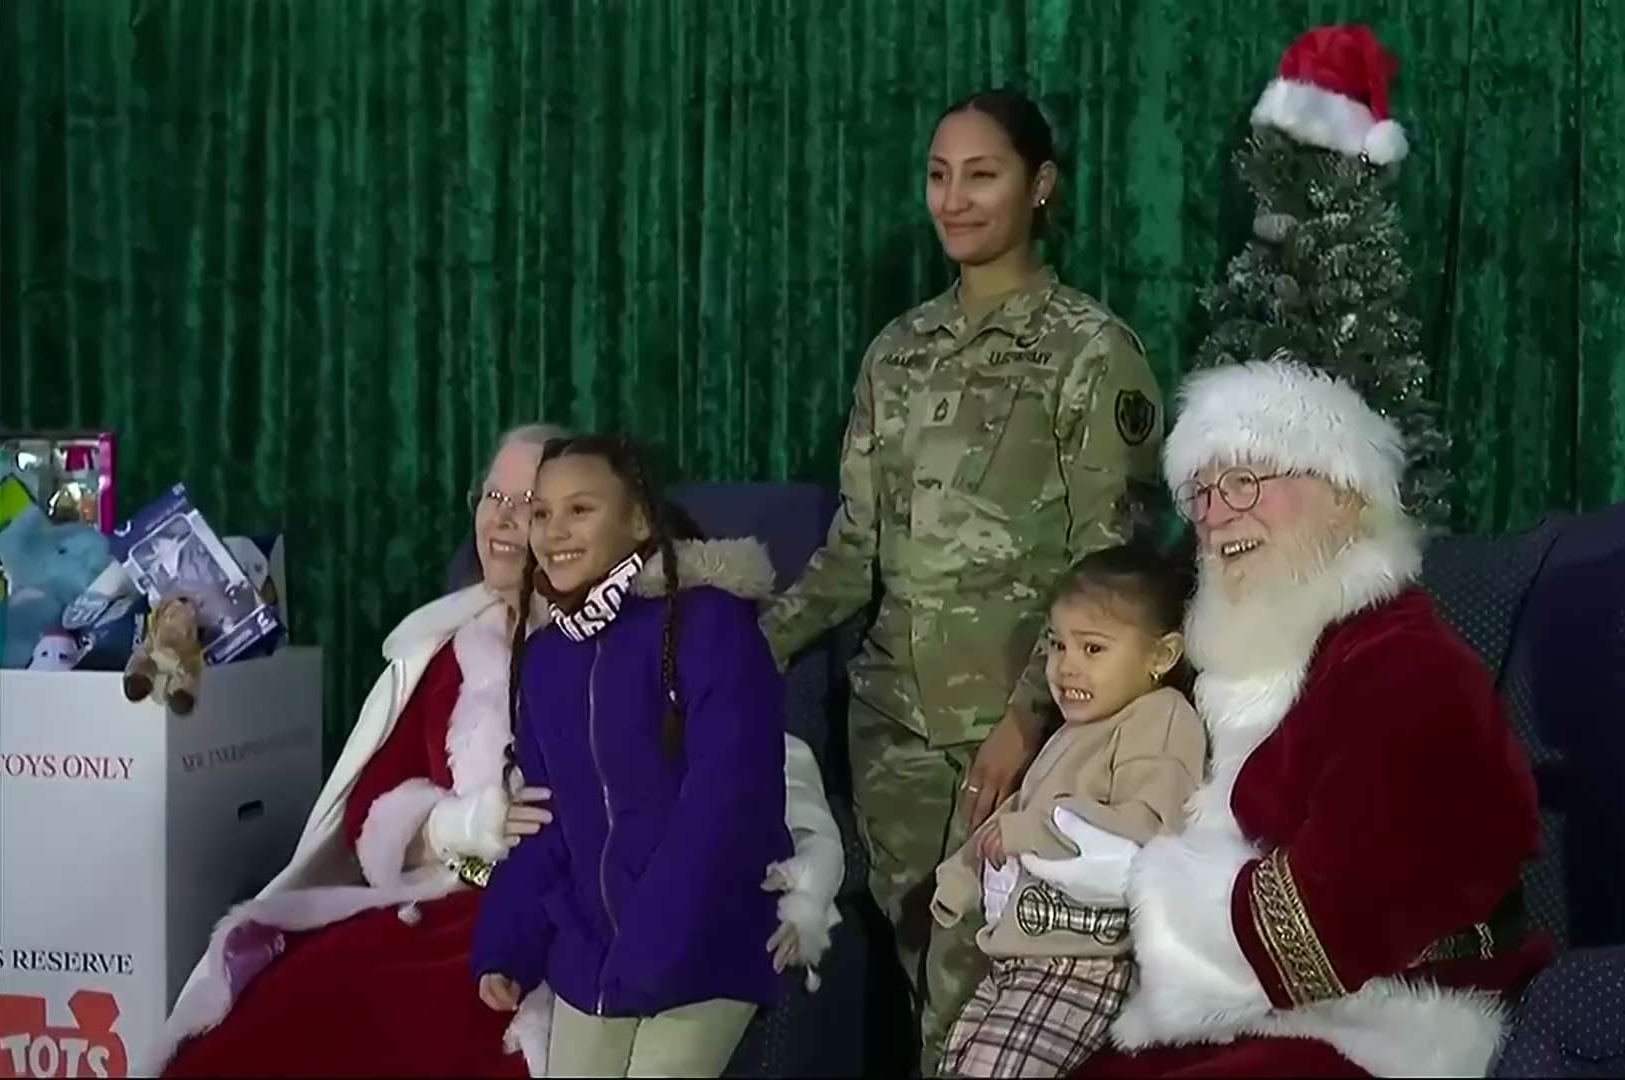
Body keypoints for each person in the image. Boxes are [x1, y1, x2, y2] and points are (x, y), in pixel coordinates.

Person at [150, 425, 844, 1078]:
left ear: (633, 519)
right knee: (290, 1009)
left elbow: (744, 788)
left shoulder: (694, 626)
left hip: (658, 939)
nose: (522, 522)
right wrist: (470, 838)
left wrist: (804, 879)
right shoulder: (479, 652)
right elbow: (385, 814)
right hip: (502, 919)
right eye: (507, 501)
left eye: (556, 505)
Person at [759, 88, 1166, 1073]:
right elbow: (854, 549)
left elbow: (1114, 568)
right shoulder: (896, 352)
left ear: (1040, 186)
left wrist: (1029, 719)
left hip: (1027, 731)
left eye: (982, 175)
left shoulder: (1091, 351)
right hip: (895, 727)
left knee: (996, 990)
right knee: (929, 995)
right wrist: (740, 647)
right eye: (940, 176)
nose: (955, 198)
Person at [1024, 359, 1554, 1077]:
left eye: (1245, 480)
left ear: (1345, 500)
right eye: (1202, 492)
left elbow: (1341, 916)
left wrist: (1144, 883)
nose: (1216, 514)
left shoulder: (1405, 665)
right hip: (1246, 1009)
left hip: (1387, 1020)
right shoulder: (1247, 658)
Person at [470, 434, 790, 1078]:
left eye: (580, 509)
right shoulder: (547, 659)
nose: (554, 530)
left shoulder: (711, 627)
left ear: (639, 520)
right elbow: (543, 820)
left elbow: (725, 809)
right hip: (592, 962)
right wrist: (507, 944)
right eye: (542, 512)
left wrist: (650, 947)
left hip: (704, 951)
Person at [931, 544, 1205, 1078]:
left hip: (1085, 966)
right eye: (1058, 645)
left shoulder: (1161, 719)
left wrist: (1028, 832)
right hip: (1020, 960)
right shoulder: (1075, 732)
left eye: (1093, 648)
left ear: (1161, 655)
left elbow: (1149, 830)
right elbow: (1017, 811)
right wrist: (959, 879)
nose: (1066, 666)